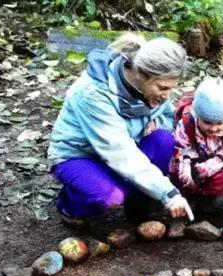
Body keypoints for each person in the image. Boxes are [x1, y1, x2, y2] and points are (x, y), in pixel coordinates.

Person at [47, 34, 193, 226]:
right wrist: (169, 193)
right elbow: (119, 152)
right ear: (141, 73)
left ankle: (139, 206)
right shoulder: (93, 93)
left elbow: (168, 119)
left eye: (171, 88)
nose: (167, 95)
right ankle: (70, 204)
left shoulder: (149, 88)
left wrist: (158, 125)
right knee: (110, 196)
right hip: (79, 155)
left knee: (164, 140)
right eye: (163, 87)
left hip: (125, 149)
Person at [169, 77, 223, 212]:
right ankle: (187, 196)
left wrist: (205, 169)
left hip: (216, 162)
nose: (213, 129)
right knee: (177, 171)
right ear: (197, 115)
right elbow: (180, 151)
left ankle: (208, 196)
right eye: (207, 122)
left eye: (219, 123)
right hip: (193, 160)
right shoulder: (186, 124)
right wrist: (187, 172)